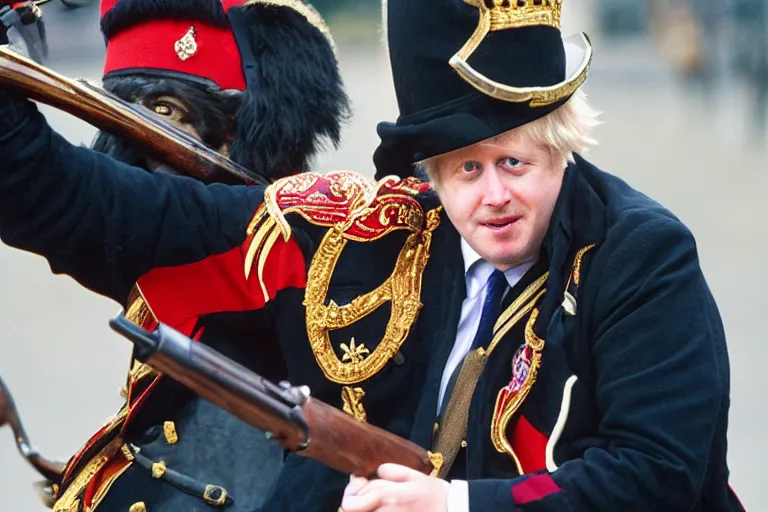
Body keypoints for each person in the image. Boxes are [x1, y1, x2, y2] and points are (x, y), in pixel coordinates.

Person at [0, 1, 746, 511]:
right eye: (465, 168)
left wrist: (453, 503)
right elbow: (89, 207)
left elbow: (658, 476)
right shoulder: (370, 229)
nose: (492, 196)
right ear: (427, 170)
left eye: (515, 162)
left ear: (561, 141)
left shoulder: (645, 256)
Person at [0, 0, 349, 510]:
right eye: (137, 117)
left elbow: (41, 182)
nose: (149, 147)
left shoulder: (298, 231)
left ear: (243, 130)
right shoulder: (156, 229)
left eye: (169, 114)